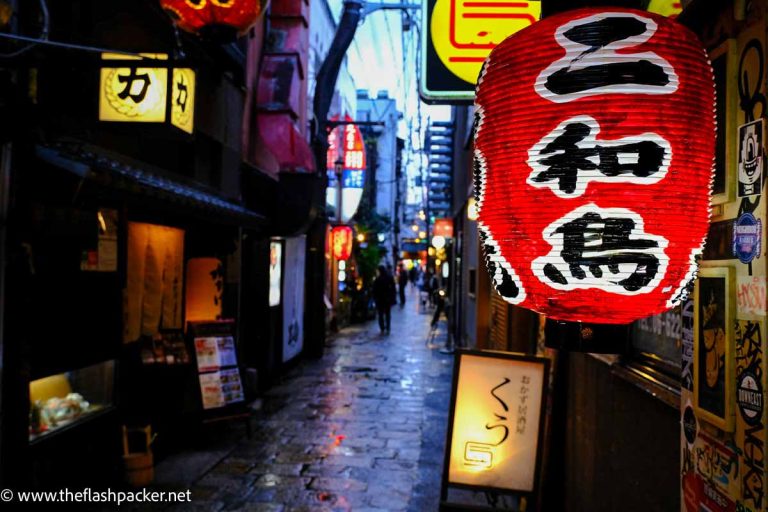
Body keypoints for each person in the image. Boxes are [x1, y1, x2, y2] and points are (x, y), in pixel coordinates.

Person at [372, 265, 396, 334]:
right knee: (387, 314)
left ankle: (382, 327)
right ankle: (388, 327)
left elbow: (374, 289)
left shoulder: (378, 279)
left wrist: (375, 297)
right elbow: (393, 288)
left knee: (381, 314)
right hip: (387, 299)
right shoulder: (389, 278)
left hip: (380, 299)